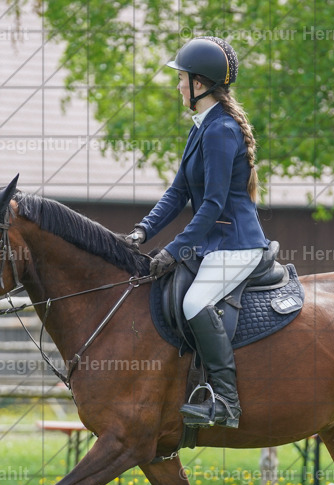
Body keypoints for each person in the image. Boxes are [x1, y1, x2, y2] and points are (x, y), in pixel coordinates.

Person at [125, 36, 269, 429]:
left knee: (194, 303)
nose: (177, 85)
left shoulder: (221, 130)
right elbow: (178, 193)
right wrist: (142, 232)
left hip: (236, 244)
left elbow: (214, 204)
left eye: (181, 78)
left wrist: (173, 249)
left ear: (200, 85)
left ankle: (226, 401)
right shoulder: (202, 127)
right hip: (214, 245)